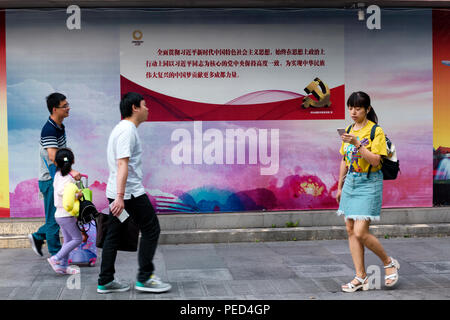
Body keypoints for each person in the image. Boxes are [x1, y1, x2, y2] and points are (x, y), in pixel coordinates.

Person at [97, 92, 171, 294]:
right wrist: (121, 197)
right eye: (144, 105)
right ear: (134, 108)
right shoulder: (127, 131)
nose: (148, 109)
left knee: (114, 234)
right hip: (129, 194)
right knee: (151, 228)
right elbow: (122, 163)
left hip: (120, 192)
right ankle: (145, 278)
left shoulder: (123, 129)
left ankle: (105, 280)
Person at [336, 91, 400, 292]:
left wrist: (357, 143)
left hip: (369, 182)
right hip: (350, 183)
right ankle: (360, 276)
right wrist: (339, 186)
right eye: (351, 108)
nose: (353, 112)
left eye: (358, 108)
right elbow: (344, 160)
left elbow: (376, 161)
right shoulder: (348, 129)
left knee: (360, 231)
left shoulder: (375, 131)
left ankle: (389, 263)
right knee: (349, 230)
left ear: (367, 109)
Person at [28, 93, 80, 257]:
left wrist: (68, 158)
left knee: (57, 217)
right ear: (54, 109)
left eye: (67, 104)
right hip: (51, 180)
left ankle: (38, 237)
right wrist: (70, 170)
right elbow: (53, 157)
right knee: (55, 219)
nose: (68, 108)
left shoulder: (59, 126)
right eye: (64, 106)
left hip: (57, 178)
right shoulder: (49, 129)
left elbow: (61, 153)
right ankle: (57, 257)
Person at [47, 148, 83, 275]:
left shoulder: (57, 175)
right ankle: (55, 259)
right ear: (72, 161)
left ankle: (63, 266)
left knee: (68, 241)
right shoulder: (70, 178)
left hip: (59, 214)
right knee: (77, 239)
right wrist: (78, 195)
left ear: (57, 162)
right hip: (66, 214)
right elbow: (63, 192)